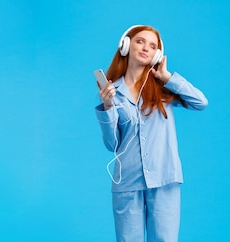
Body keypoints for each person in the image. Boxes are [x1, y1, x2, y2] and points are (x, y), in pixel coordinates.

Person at [94, 25, 208, 242]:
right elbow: (112, 144)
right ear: (125, 45)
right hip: (127, 183)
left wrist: (167, 77)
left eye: (153, 45)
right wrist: (107, 106)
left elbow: (201, 102)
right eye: (140, 41)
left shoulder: (163, 88)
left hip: (165, 179)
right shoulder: (112, 93)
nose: (146, 47)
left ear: (157, 54)